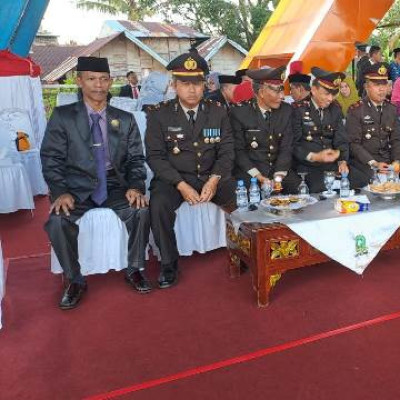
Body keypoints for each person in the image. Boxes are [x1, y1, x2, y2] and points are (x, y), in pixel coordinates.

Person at [41, 57, 151, 310]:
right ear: (79, 82)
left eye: (103, 79)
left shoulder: (125, 119)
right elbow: (51, 158)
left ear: (111, 81)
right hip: (75, 187)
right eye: (91, 79)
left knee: (142, 210)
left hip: (115, 184)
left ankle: (134, 268)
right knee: (58, 221)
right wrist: (60, 191)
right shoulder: (63, 116)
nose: (98, 85)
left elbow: (136, 158)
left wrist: (135, 186)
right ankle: (75, 279)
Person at [145, 48, 236, 289]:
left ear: (205, 84)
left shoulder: (217, 112)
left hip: (210, 176)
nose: (192, 89)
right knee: (158, 203)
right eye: (185, 83)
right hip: (175, 179)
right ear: (174, 85)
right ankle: (168, 263)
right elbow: (155, 157)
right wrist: (181, 185)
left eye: (197, 82)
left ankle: (242, 251)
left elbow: (227, 151)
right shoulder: (158, 115)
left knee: (240, 196)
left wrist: (214, 179)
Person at [230, 66, 298, 192]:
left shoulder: (286, 111)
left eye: (282, 90)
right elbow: (239, 151)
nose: (282, 96)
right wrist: (259, 177)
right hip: (251, 172)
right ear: (261, 92)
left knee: (297, 189)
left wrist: (278, 176)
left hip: (279, 169)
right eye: (277, 91)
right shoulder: (239, 113)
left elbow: (287, 147)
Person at [292, 67, 349, 193]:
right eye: (326, 93)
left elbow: (341, 139)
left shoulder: (335, 109)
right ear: (313, 89)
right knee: (319, 187)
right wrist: (315, 156)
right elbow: (293, 145)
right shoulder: (298, 109)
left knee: (358, 179)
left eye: (333, 94)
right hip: (308, 165)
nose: (330, 98)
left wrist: (342, 161)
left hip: (331, 164)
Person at [347, 62, 400, 188]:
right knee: (369, 181)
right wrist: (374, 163)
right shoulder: (356, 110)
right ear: (366, 87)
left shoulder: (391, 109)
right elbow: (353, 144)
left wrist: (397, 161)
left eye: (384, 84)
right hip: (366, 162)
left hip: (388, 162)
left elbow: (396, 139)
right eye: (377, 85)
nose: (382, 89)